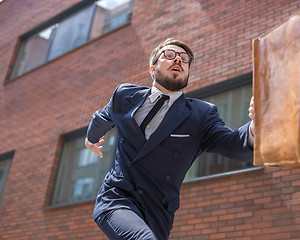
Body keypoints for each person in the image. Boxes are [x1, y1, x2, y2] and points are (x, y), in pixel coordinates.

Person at [85, 38, 256, 240]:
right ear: (152, 68)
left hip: (158, 211)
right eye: (169, 55)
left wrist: (257, 122)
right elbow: (102, 118)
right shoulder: (125, 96)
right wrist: (90, 139)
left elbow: (236, 145)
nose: (178, 60)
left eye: (185, 59)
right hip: (118, 198)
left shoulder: (201, 114)